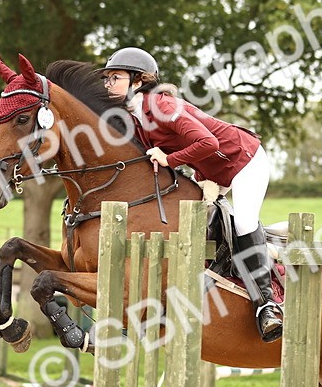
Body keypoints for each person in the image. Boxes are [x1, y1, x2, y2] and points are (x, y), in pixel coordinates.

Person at [102, 47, 283, 343]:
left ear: (137, 81)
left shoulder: (163, 105)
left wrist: (169, 160)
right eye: (107, 78)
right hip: (211, 172)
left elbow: (208, 143)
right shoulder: (134, 117)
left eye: (115, 77)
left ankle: (267, 305)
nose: (108, 83)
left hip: (243, 159)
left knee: (244, 223)